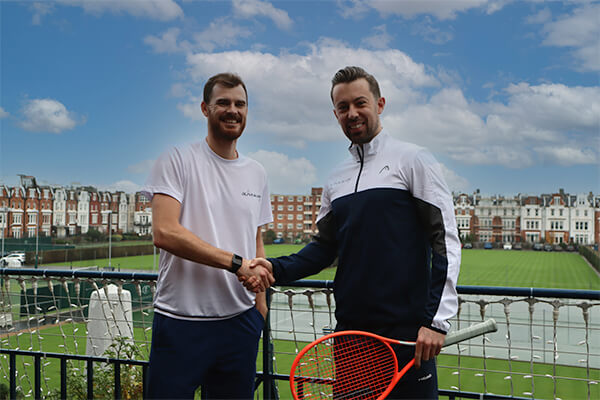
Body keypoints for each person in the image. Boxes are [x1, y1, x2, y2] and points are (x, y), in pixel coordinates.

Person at [247, 66, 461, 399]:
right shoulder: (336, 179)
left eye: (360, 103)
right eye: (343, 107)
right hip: (351, 335)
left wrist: (436, 322)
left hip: (407, 337)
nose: (352, 113)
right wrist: (276, 268)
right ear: (335, 114)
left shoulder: (414, 160)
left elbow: (445, 240)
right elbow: (324, 248)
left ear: (380, 104)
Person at [143, 72, 274, 399]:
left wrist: (259, 305)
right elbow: (165, 232)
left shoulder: (257, 172)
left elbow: (254, 236)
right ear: (205, 108)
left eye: (240, 104)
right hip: (180, 323)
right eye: (223, 103)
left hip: (240, 323)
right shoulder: (177, 159)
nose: (233, 110)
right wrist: (236, 264)